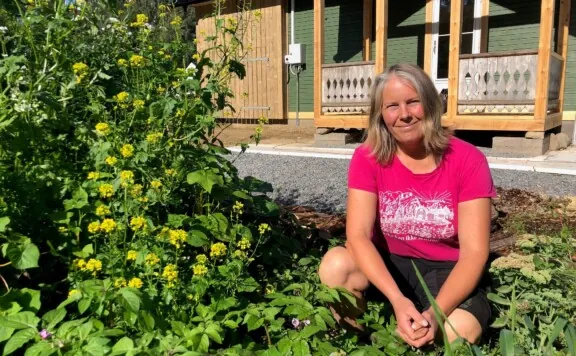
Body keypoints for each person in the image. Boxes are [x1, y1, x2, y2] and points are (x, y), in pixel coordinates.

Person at [318, 63, 496, 348]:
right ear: (381, 115)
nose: (404, 114)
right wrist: (397, 300)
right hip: (388, 264)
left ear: (430, 104)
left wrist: (436, 314)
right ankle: (357, 344)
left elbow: (475, 253)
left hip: (446, 269)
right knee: (336, 265)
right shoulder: (368, 157)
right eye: (392, 106)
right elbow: (358, 236)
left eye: (413, 102)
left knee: (458, 331)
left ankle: (422, 327)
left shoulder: (467, 159)